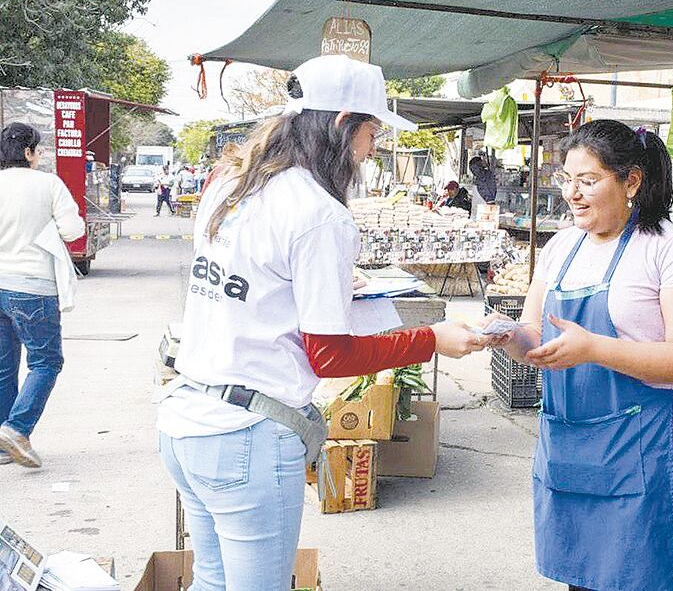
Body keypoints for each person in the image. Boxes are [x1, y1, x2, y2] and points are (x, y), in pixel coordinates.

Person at [156, 54, 485, 591]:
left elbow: (262, 295)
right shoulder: (318, 213)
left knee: (213, 583)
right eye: (372, 130)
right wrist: (431, 340)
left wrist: (347, 295)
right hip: (246, 436)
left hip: (187, 418)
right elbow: (329, 355)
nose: (373, 145)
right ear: (341, 123)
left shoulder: (230, 183)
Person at [487, 120, 673, 591]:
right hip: (572, 436)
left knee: (632, 579)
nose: (572, 193)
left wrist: (593, 348)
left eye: (588, 181)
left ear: (631, 180)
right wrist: (506, 336)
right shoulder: (561, 247)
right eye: (567, 180)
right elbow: (535, 335)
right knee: (583, 578)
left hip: (648, 442)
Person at [0, 122, 85, 468]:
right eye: (38, 149)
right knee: (46, 362)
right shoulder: (47, 183)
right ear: (28, 152)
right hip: (32, 287)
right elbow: (72, 229)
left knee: (4, 366)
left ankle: (4, 444)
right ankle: (17, 429)